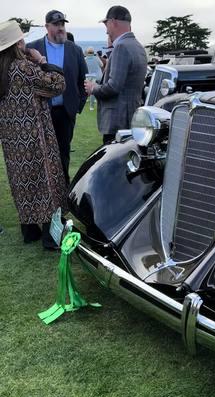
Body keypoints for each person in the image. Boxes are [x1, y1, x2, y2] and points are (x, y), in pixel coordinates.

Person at [0, 20, 67, 249]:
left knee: (22, 182)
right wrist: (42, 61)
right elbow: (56, 85)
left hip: (11, 141)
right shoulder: (24, 67)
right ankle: (51, 238)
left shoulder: (2, 70)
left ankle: (29, 231)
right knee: (47, 183)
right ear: (17, 42)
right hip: (37, 138)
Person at [27, 10, 88, 184]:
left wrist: (76, 106)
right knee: (41, 153)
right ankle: (44, 189)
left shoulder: (75, 49)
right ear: (46, 27)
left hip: (65, 112)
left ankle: (63, 189)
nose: (61, 28)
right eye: (56, 24)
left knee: (63, 152)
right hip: (41, 112)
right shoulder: (33, 48)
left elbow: (83, 80)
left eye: (62, 24)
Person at [84, 5, 147, 144]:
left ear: (113, 22)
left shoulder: (122, 47)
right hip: (130, 119)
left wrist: (93, 88)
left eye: (106, 25)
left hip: (117, 122)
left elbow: (113, 87)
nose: (106, 31)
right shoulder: (138, 46)